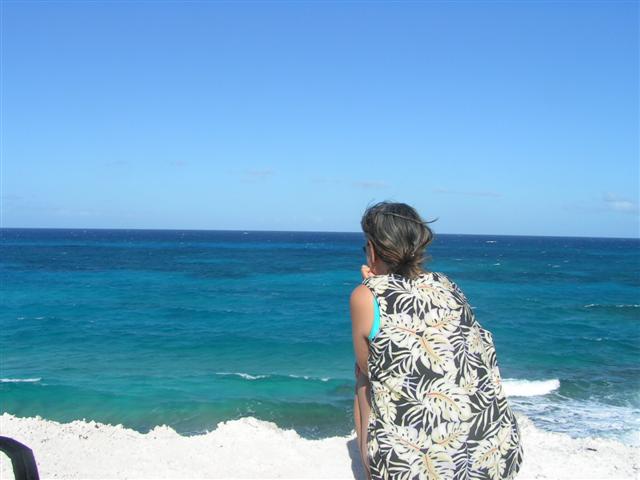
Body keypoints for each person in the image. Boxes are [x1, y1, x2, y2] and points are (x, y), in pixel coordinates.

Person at [350, 201, 524, 480]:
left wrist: (370, 287)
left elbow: (368, 366)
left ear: (372, 250)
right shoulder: (447, 284)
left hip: (415, 470)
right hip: (495, 459)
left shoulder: (365, 295)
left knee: (362, 377)